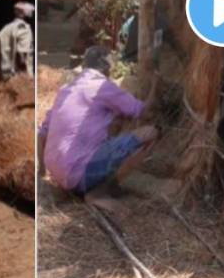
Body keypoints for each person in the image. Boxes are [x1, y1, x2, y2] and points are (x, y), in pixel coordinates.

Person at [37, 46, 158, 213]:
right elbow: (145, 112)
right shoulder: (103, 87)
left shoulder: (66, 89)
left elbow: (42, 132)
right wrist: (157, 85)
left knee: (115, 121)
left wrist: (42, 170)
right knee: (150, 133)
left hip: (58, 174)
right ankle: (98, 192)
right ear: (106, 66)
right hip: (79, 175)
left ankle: (95, 182)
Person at [0, 1, 34, 78]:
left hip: (7, 73)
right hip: (20, 74)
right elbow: (22, 52)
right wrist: (25, 75)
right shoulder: (24, 28)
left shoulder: (6, 28)